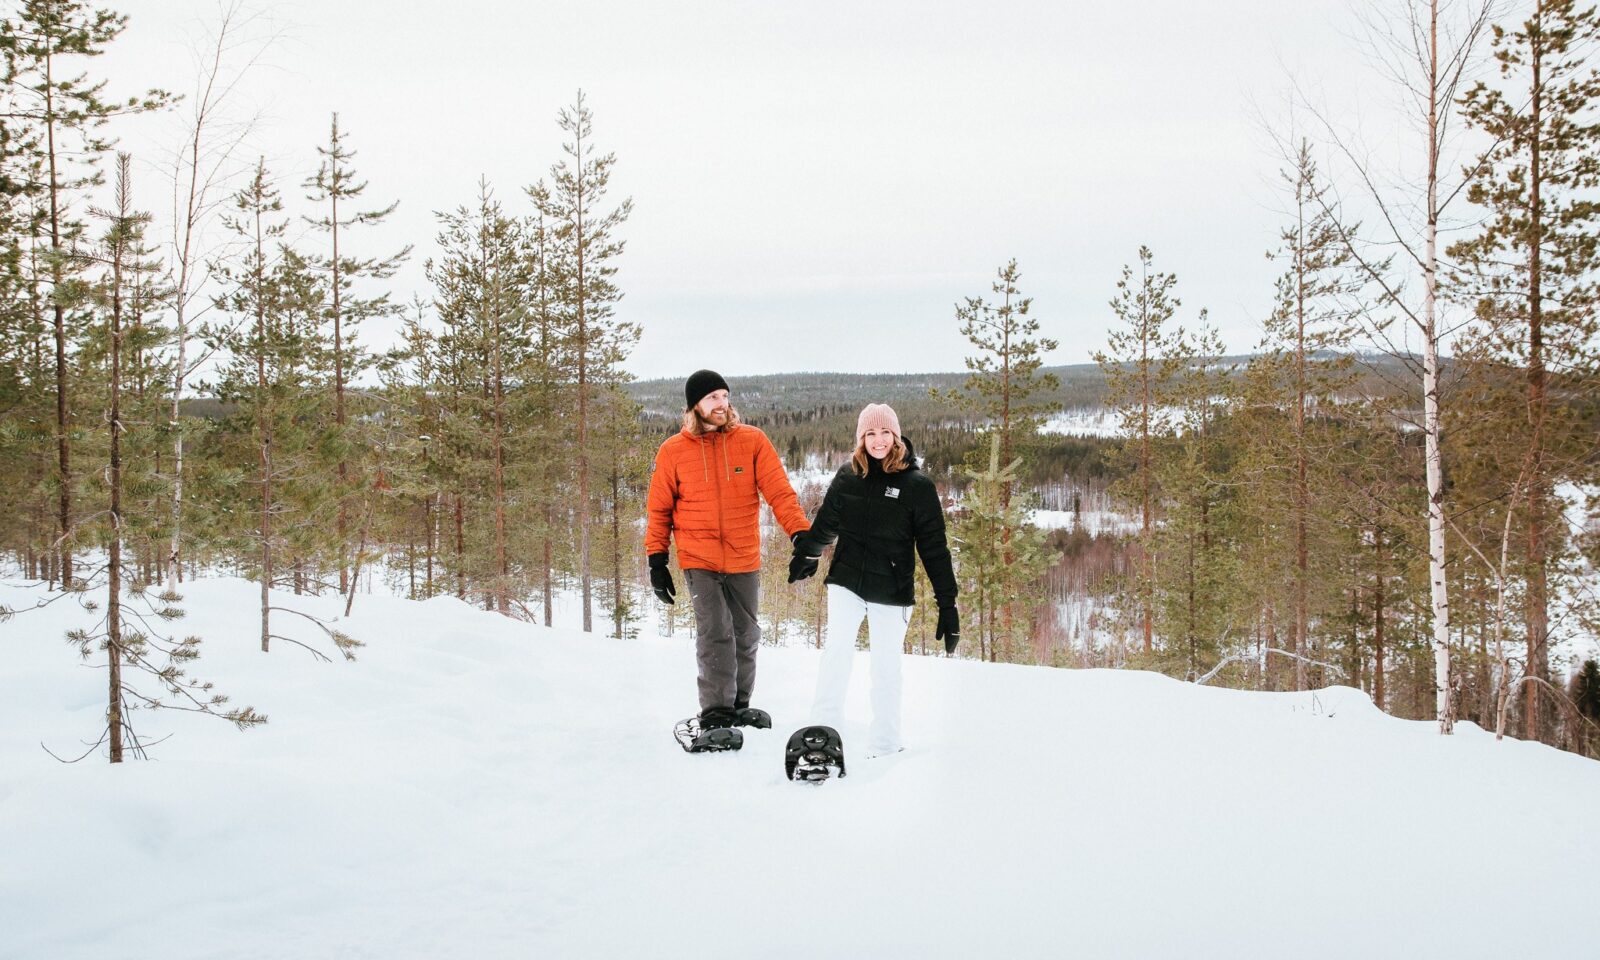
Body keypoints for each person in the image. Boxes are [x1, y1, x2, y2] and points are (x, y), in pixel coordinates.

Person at [788, 402, 958, 757]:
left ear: (896, 436)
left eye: (885, 433)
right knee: (836, 652)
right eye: (870, 433)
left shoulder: (917, 486)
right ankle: (824, 729)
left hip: (891, 592)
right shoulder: (848, 475)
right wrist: (808, 553)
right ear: (861, 437)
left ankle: (884, 744)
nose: (878, 440)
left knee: (885, 666)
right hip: (846, 580)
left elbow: (935, 549)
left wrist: (948, 603)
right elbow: (826, 524)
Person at [645, 369, 810, 733]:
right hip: (698, 558)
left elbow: (779, 492)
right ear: (695, 406)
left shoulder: (752, 440)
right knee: (716, 631)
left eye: (724, 396)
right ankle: (716, 712)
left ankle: (738, 703)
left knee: (746, 632)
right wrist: (657, 560)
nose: (721, 404)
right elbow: (659, 510)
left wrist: (801, 535)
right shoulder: (673, 451)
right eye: (712, 398)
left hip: (743, 556)